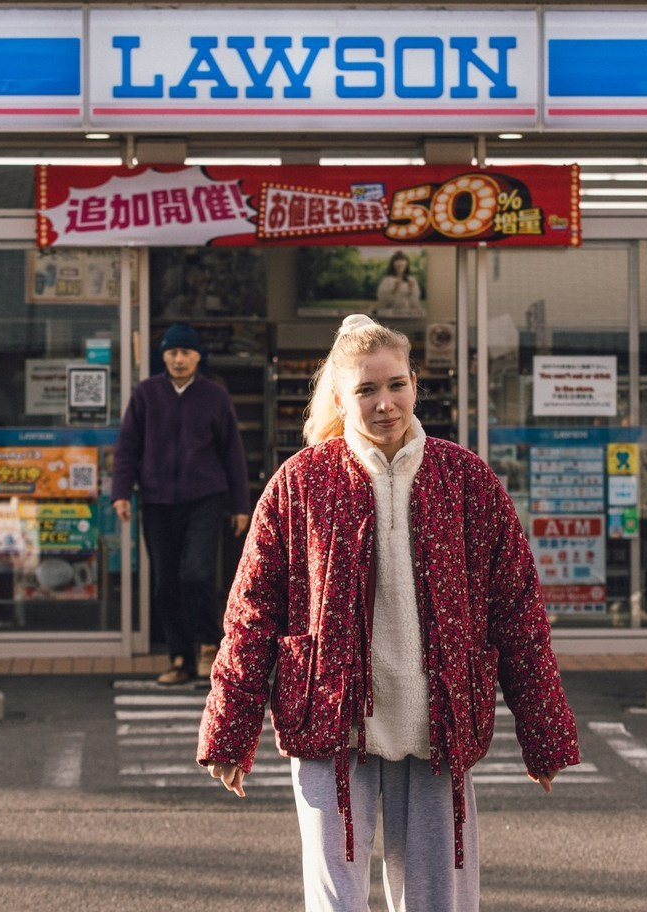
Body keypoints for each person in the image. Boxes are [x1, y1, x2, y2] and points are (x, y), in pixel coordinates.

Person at [197, 314, 579, 910]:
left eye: (396, 384)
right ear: (340, 398)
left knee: (439, 901)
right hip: (330, 720)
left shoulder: (466, 480)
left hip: (440, 723)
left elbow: (518, 612)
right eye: (366, 390)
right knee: (335, 903)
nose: (385, 404)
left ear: (414, 383)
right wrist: (229, 728)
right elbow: (251, 614)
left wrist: (544, 734)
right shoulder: (300, 483)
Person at [111, 323, 251, 686]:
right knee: (165, 583)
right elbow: (128, 447)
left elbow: (232, 454)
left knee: (197, 574)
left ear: (197, 357)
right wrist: (121, 493)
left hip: (205, 498)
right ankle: (180, 658)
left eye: (185, 352)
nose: (178, 359)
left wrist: (240, 505)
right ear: (163, 356)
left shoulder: (214, 397)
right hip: (156, 501)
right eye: (172, 352)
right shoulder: (146, 394)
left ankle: (209, 647)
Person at [375, 249, 423, 317]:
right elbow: (383, 302)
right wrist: (395, 288)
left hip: (407, 316)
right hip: (390, 316)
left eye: (402, 263)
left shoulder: (411, 280)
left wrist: (411, 290)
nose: (400, 265)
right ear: (393, 264)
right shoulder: (387, 280)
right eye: (397, 262)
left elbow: (415, 303)